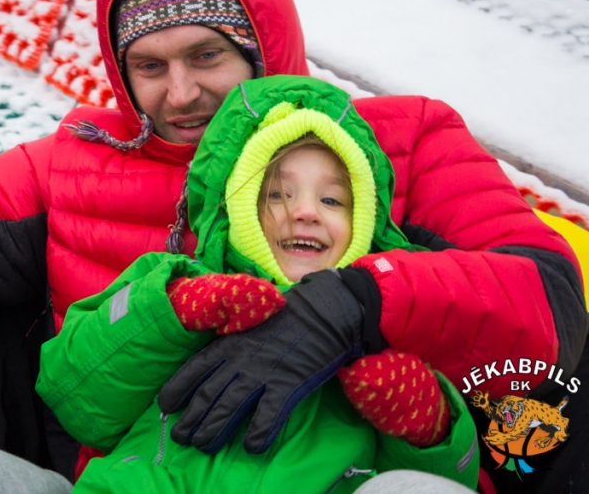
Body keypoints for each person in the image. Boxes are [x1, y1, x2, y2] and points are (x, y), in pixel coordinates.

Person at [0, 0, 586, 487]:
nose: (179, 94)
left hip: (336, 475)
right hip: (133, 478)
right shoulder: (72, 166)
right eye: (150, 66)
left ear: (262, 35)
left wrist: (356, 304)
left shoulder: (399, 142)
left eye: (207, 54)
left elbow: (545, 297)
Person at [36, 75, 479, 493]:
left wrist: (430, 429)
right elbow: (78, 399)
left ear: (364, 219)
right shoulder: (177, 282)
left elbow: (448, 480)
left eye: (331, 199)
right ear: (235, 208)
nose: (305, 212)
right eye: (277, 194)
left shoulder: (392, 328)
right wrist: (170, 313)